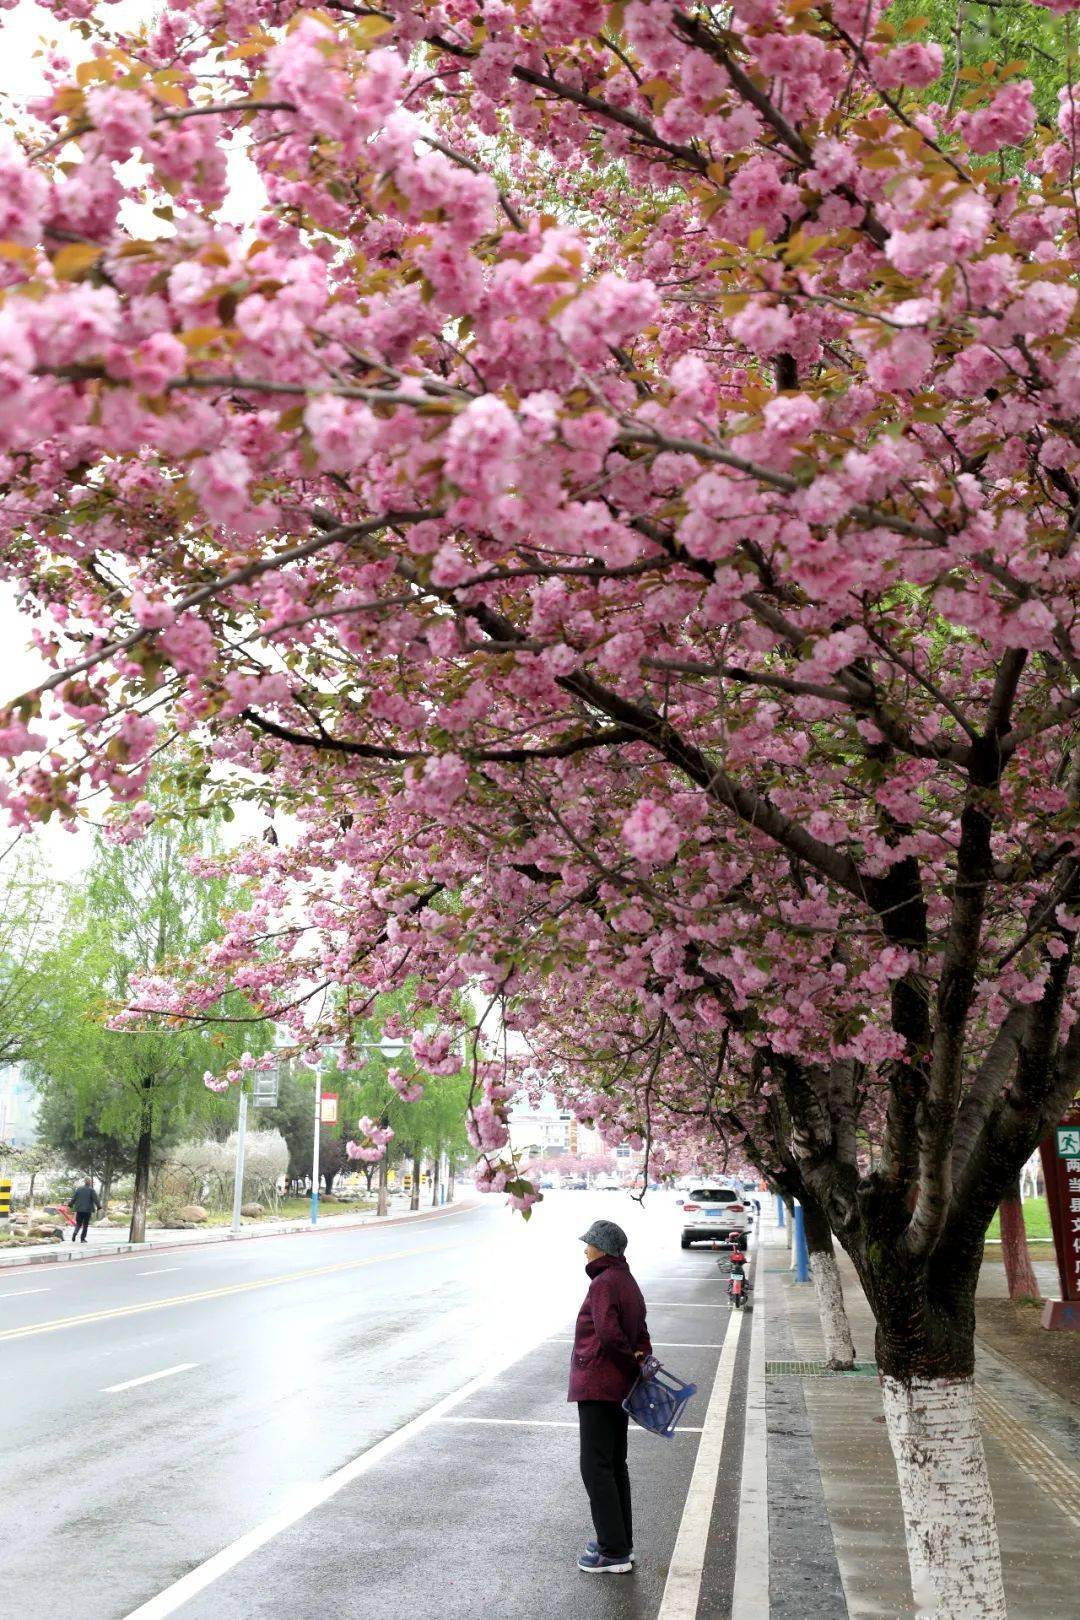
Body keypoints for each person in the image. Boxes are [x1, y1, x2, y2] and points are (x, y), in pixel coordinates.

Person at [569, 1219, 651, 1575]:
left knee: (596, 1467)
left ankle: (612, 1551)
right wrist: (637, 1363)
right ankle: (619, 1542)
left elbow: (608, 1334)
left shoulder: (603, 1283)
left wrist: (627, 1363)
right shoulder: (626, 1280)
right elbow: (641, 1330)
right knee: (615, 1464)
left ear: (602, 1248)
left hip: (599, 1384)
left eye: (589, 1244)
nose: (585, 1250)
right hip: (617, 1386)